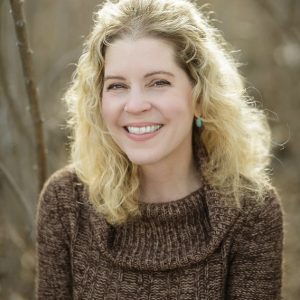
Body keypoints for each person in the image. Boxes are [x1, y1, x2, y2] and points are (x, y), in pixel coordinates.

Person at [36, 0, 283, 299]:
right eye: (117, 86)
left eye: (158, 82)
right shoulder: (65, 201)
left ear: (200, 96)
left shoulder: (250, 210)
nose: (136, 105)